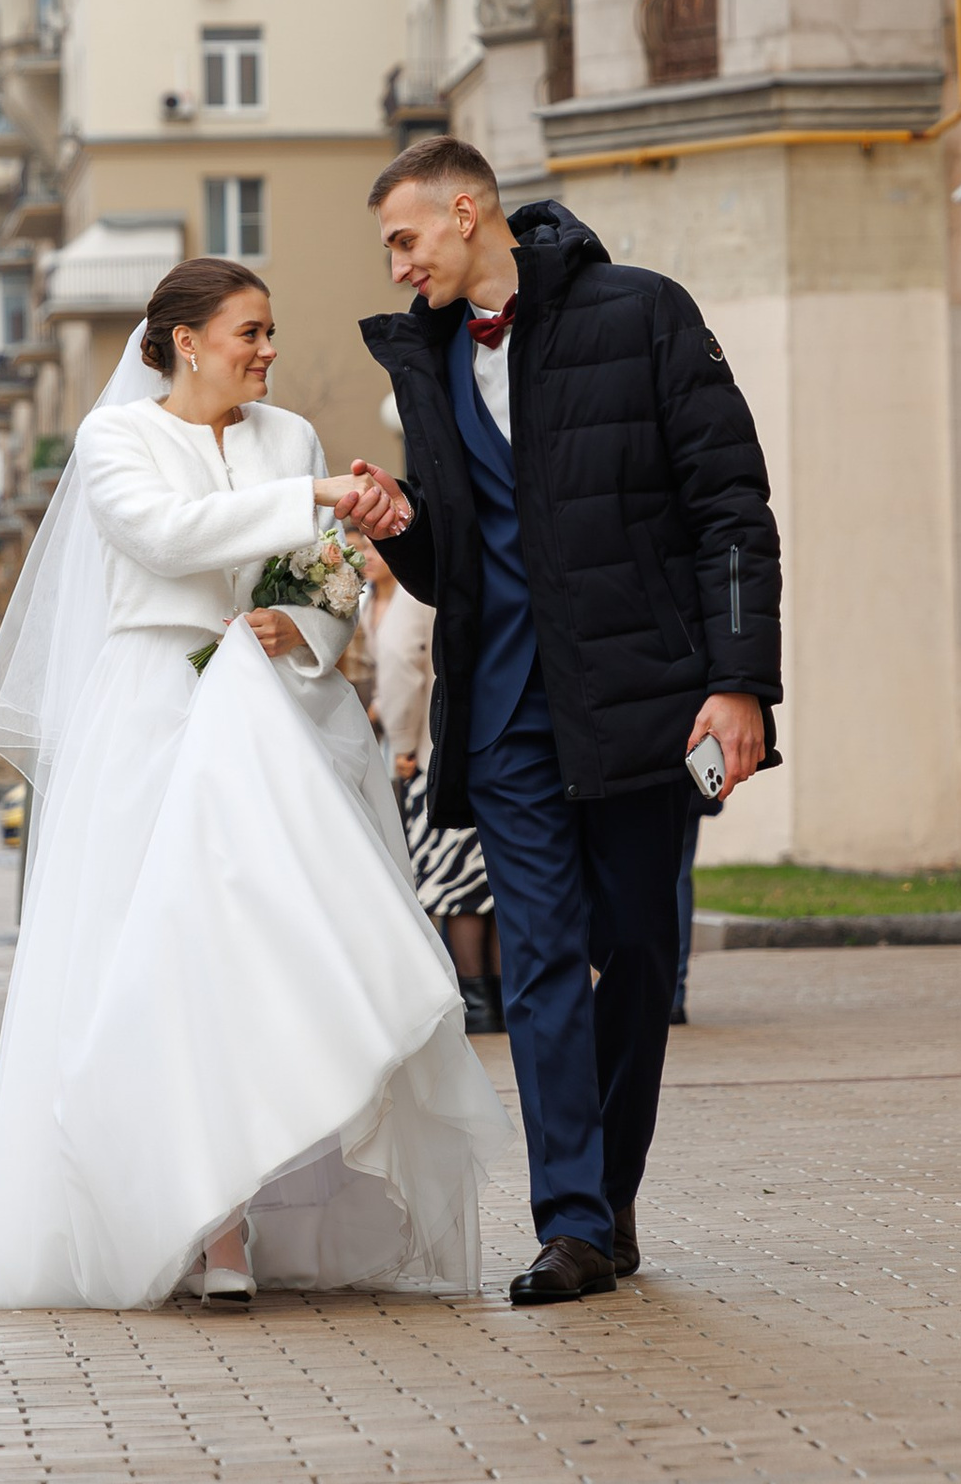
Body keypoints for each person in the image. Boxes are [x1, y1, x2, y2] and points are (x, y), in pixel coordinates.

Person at [0, 258, 507, 1313]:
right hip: (151, 713)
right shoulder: (116, 438)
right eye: (247, 331)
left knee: (278, 955)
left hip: (269, 716)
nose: (265, 349)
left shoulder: (288, 433)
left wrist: (298, 625)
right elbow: (164, 533)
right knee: (164, 963)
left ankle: (270, 1192)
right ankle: (205, 1226)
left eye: (269, 330)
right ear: (183, 341)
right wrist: (309, 497)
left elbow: (332, 571)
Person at [338, 135, 783, 1307]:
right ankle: (572, 1220)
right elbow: (455, 561)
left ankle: (609, 1187)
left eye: (404, 238)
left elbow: (731, 504)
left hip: (641, 695)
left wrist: (739, 681)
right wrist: (398, 524)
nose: (396, 267)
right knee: (536, 959)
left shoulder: (643, 314)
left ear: (469, 211)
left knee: (636, 953)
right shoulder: (424, 362)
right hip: (505, 712)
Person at [365, 543, 505, 1038]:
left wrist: (401, 741)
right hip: (484, 746)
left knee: (456, 889)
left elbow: (404, 664)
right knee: (484, 886)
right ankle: (500, 1004)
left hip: (431, 751)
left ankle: (479, 1005)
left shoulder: (412, 588)